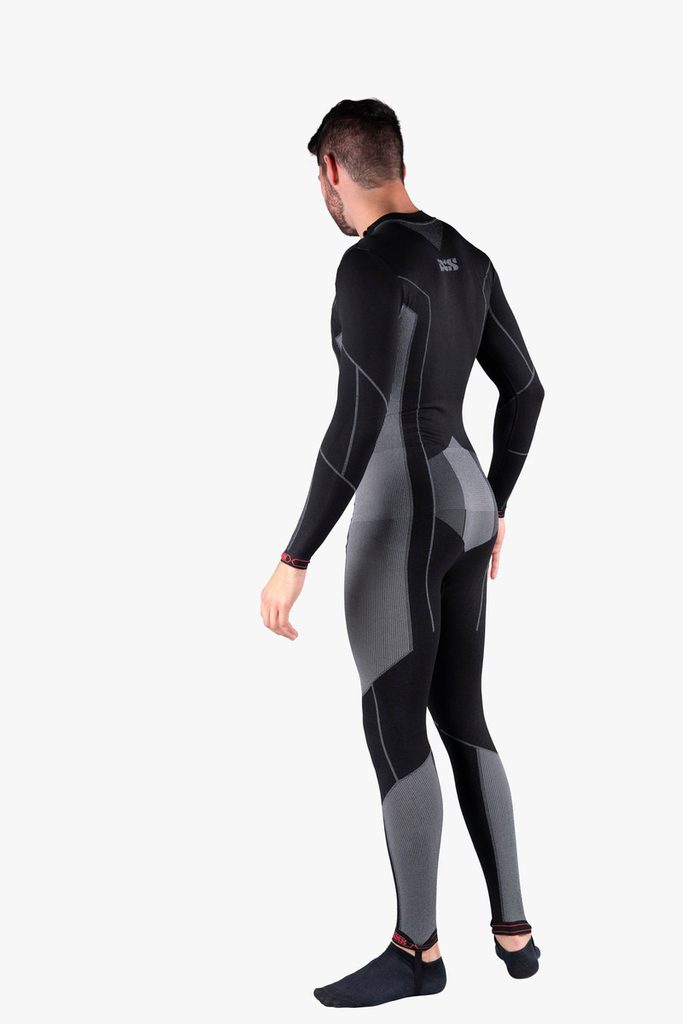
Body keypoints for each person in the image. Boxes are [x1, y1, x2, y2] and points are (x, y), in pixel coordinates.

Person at [260, 98, 545, 1008]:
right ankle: (514, 932)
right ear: (400, 162)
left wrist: (295, 554)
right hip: (466, 504)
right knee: (463, 713)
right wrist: (495, 501)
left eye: (318, 179)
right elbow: (526, 389)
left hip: (401, 518)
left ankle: (416, 951)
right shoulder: (470, 255)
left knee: (395, 727)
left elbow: (357, 422)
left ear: (333, 170)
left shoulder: (367, 263)